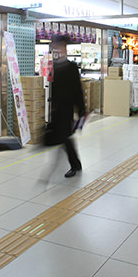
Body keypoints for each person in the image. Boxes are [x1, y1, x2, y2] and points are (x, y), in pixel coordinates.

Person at [48, 35, 87, 177]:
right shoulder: (55, 66)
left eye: (60, 46)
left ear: (64, 47)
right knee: (64, 137)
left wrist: (82, 109)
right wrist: (52, 106)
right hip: (57, 108)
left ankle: (75, 165)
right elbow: (54, 89)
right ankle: (76, 164)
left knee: (65, 137)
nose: (57, 48)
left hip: (67, 108)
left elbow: (77, 89)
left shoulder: (71, 67)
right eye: (56, 46)